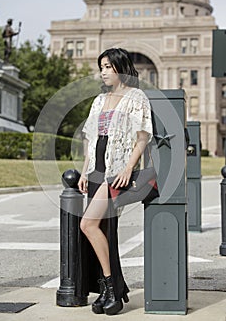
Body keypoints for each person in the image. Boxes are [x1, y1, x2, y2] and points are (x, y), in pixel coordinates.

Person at [78, 48, 153, 315]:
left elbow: (142, 138)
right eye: (101, 67)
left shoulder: (136, 97)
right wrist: (86, 171)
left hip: (116, 170)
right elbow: (91, 139)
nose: (104, 71)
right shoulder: (99, 100)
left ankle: (111, 289)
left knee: (88, 224)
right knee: (104, 230)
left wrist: (128, 168)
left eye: (108, 66)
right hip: (98, 169)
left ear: (121, 67)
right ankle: (113, 290)